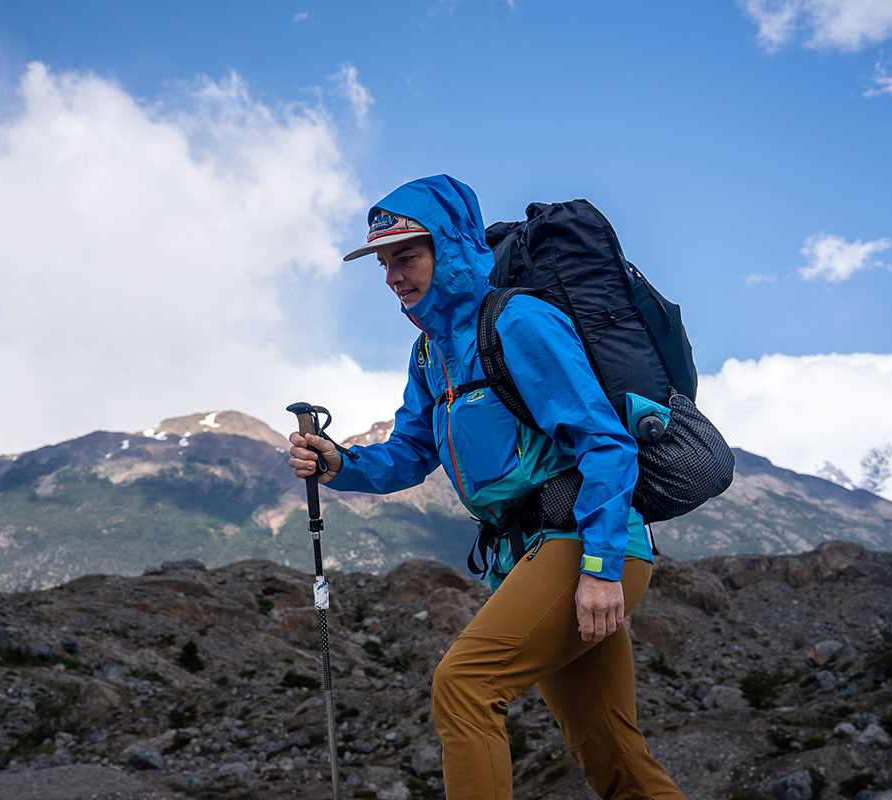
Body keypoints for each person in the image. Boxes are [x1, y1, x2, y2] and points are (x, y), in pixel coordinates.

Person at [287, 175, 685, 799]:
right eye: (384, 262)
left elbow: (606, 443)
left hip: (582, 544)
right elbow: (413, 452)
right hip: (525, 554)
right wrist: (340, 463)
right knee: (611, 752)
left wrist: (602, 565)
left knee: (464, 687)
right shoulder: (430, 354)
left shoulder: (519, 322)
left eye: (407, 255)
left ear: (449, 247)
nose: (393, 276)